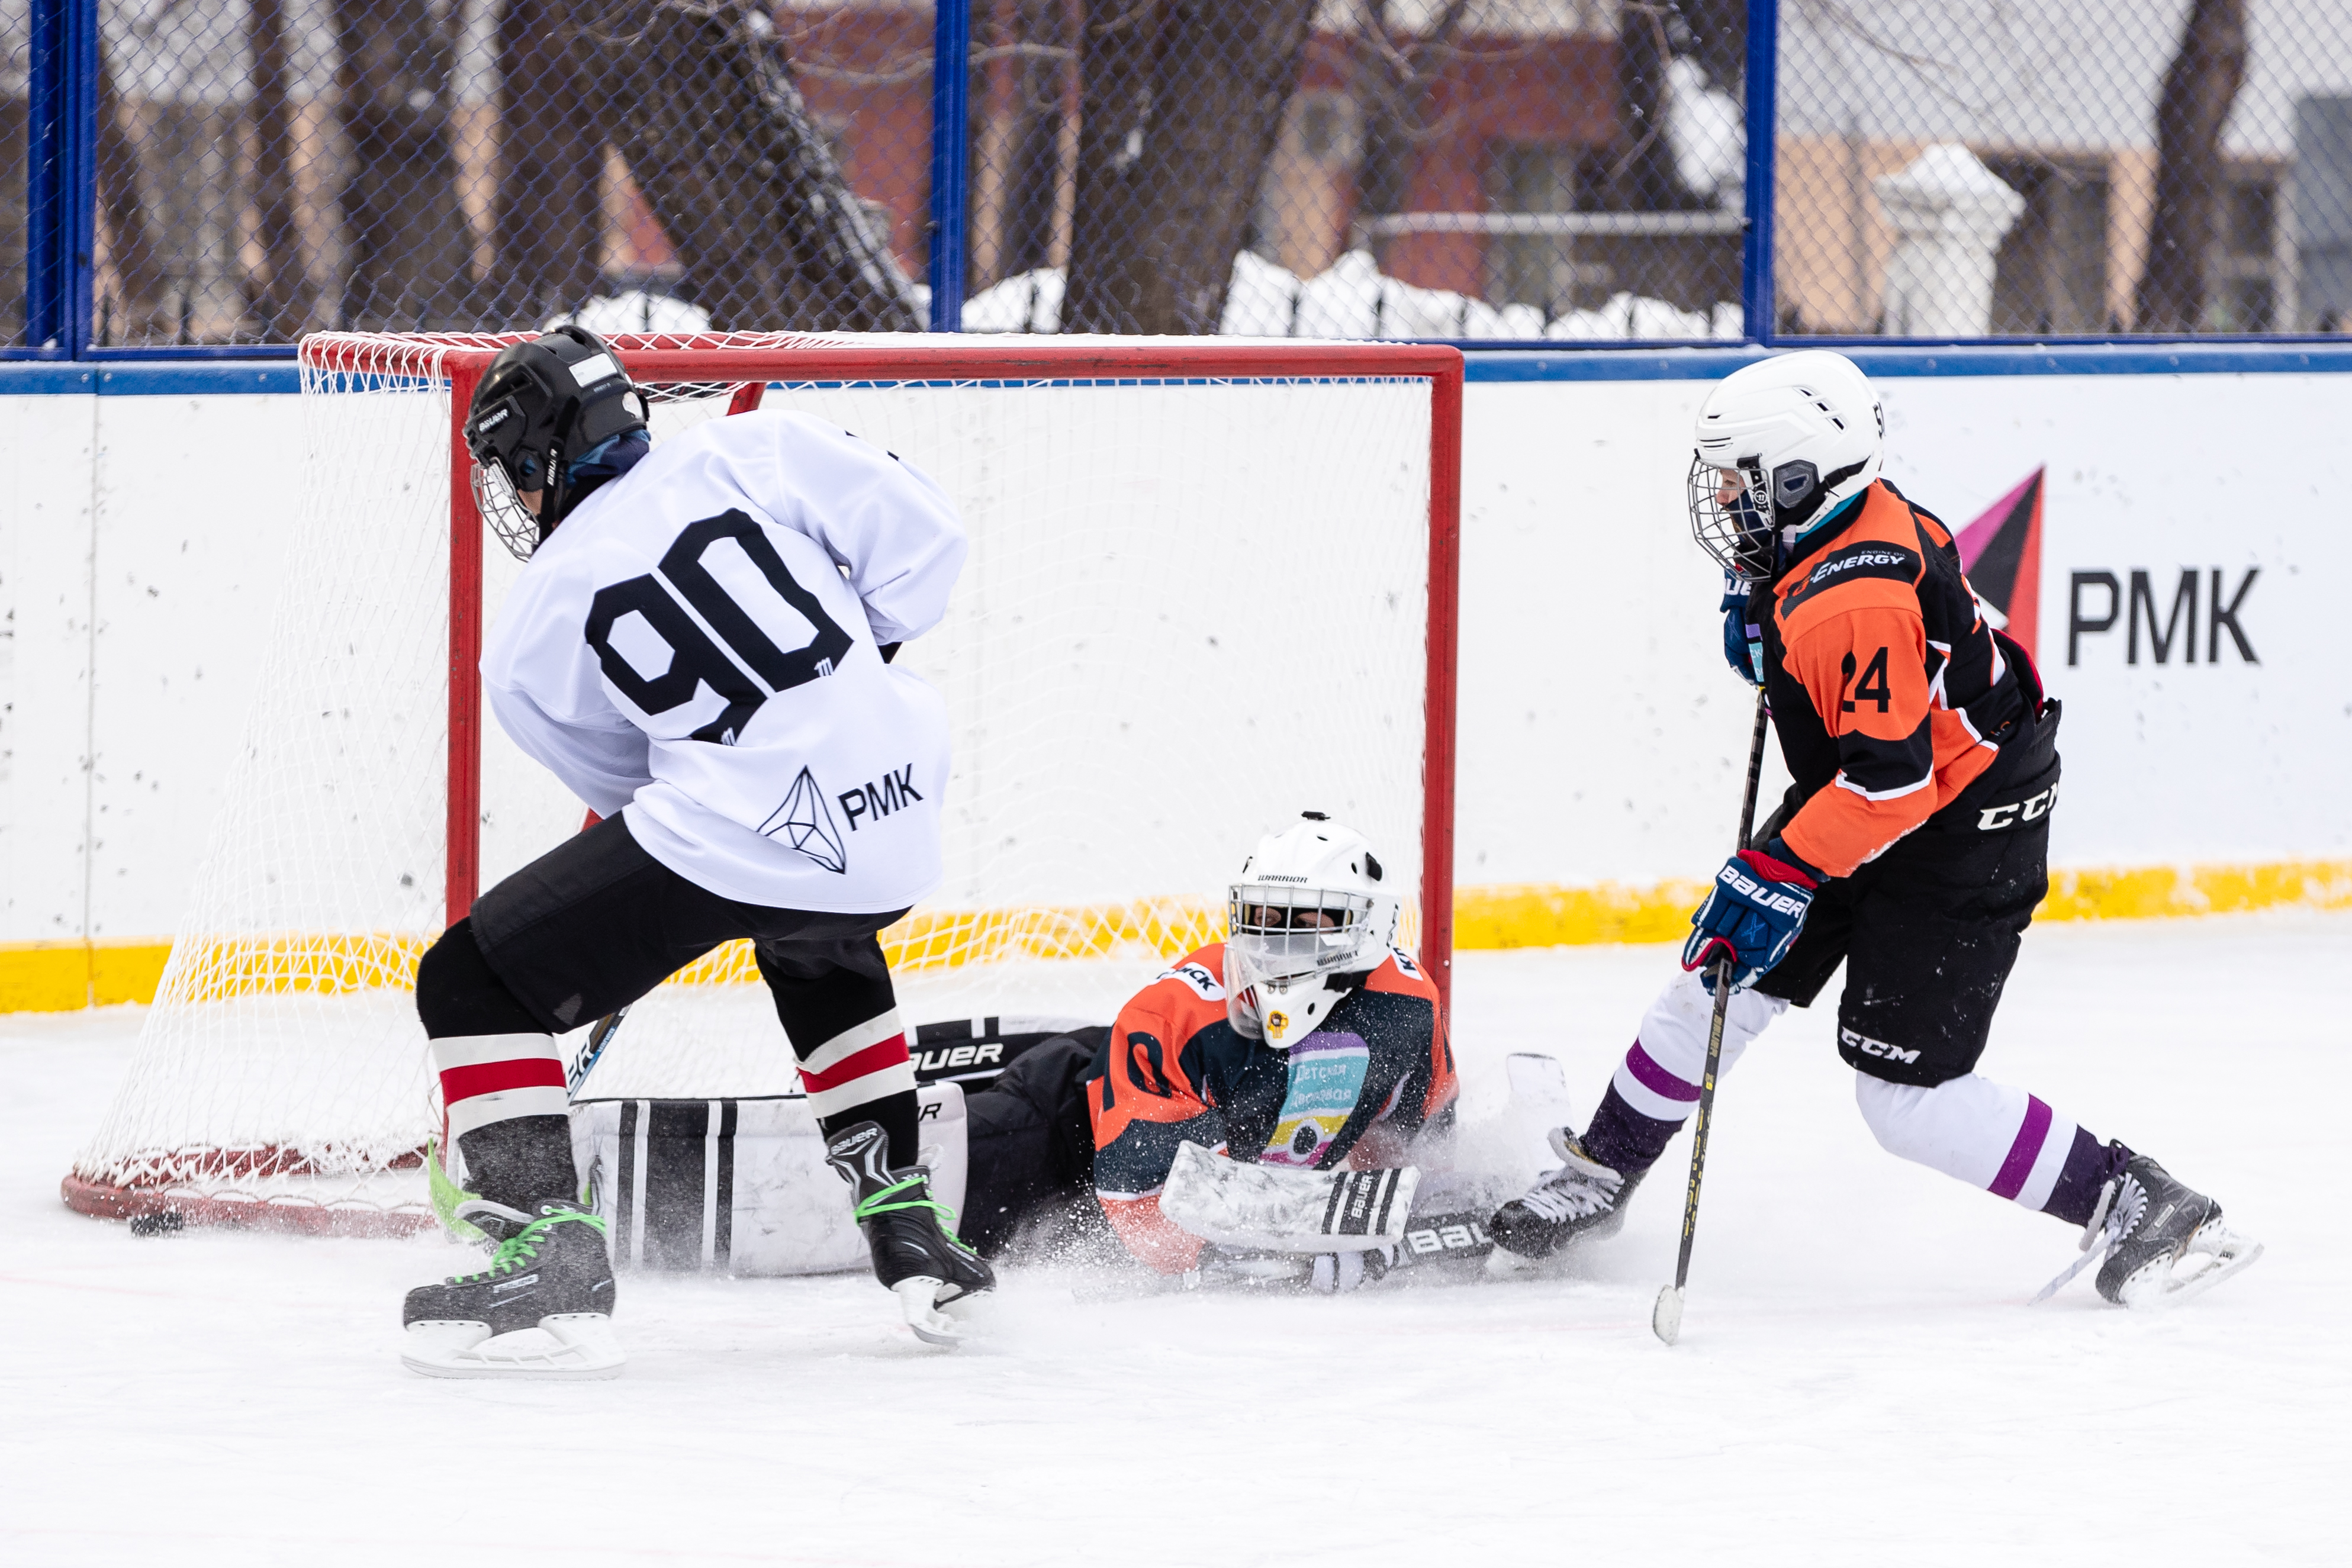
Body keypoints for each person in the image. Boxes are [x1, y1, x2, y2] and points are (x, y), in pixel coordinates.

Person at [1487, 349, 2258, 1309]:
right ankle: (1601, 1172)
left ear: (1797, 477)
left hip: (1958, 823)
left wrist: (1779, 869)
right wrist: (1771, 626)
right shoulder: (1836, 532)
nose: (1721, 497)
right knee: (1713, 980)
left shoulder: (1849, 596)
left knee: (1907, 1096)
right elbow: (1880, 742)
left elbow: (1891, 782)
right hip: (1876, 793)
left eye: (1737, 479)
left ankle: (2133, 1194)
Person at [400, 327, 991, 1378]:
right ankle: (905, 1217)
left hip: (744, 828)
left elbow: (624, 787)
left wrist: (756, 761)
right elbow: (929, 540)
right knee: (812, 928)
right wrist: (842, 683)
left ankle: (542, 1243)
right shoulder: (753, 449)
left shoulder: (531, 628)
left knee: (469, 980)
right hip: (902, 804)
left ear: (538, 460)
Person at [950, 813, 1457, 1290]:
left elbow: (1412, 1156)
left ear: (1366, 926)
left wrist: (1399, 1220)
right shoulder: (1179, 1015)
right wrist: (1265, 1260)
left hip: (1164, 1149)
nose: (1276, 942)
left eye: (1303, 920)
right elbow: (1143, 1208)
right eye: (1264, 917)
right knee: (908, 1200)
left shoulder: (1407, 1008)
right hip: (1057, 1134)